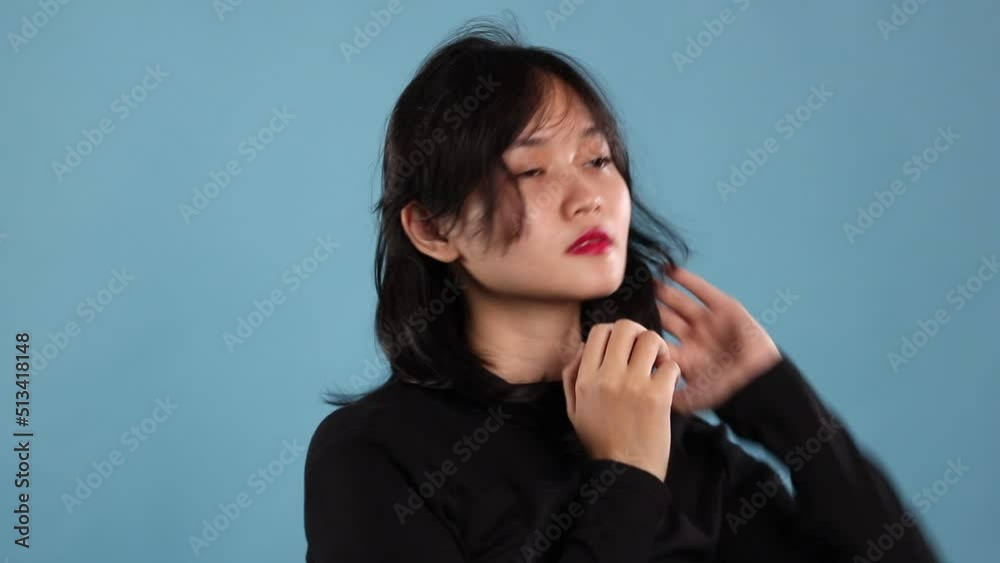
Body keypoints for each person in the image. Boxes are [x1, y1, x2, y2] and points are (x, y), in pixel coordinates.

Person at [304, 17, 941, 563]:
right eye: (531, 170)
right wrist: (627, 477)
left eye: (598, 160)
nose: (589, 198)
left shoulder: (675, 437)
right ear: (433, 228)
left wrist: (777, 398)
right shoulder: (373, 454)